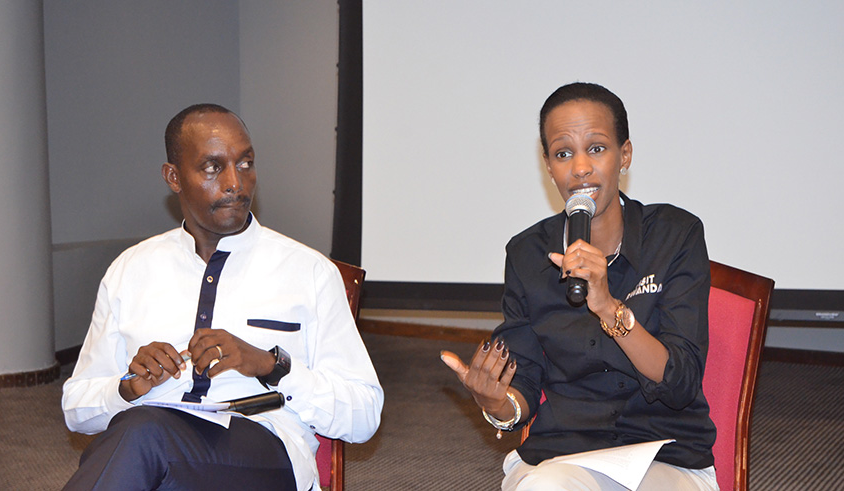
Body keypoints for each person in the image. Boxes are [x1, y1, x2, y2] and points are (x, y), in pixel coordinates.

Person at [61, 104, 383, 490]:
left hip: (262, 449)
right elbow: (76, 409)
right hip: (151, 440)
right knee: (141, 442)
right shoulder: (131, 270)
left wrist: (269, 365)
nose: (235, 182)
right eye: (213, 167)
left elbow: (364, 416)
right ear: (173, 177)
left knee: (141, 440)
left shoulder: (308, 271)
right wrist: (128, 386)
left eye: (245, 163)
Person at [441, 83, 718, 490]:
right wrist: (498, 405)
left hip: (664, 454)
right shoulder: (527, 253)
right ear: (548, 165)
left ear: (624, 156)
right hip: (564, 456)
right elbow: (524, 381)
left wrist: (608, 308)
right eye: (563, 153)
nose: (580, 168)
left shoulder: (675, 235)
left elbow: (680, 382)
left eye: (597, 148)